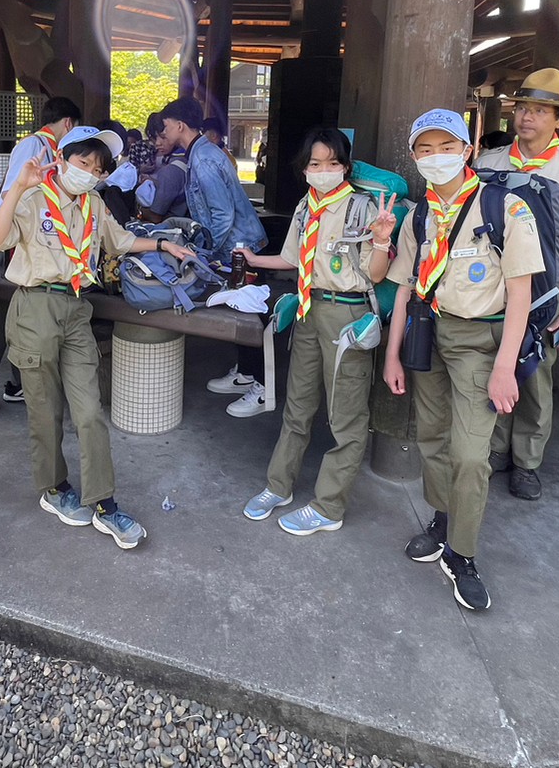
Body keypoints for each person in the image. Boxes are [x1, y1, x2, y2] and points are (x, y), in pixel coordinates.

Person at [0, 126, 193, 550]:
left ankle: (105, 503)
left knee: (90, 412)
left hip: (77, 309)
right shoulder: (32, 197)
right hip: (35, 307)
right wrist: (17, 187)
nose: (91, 173)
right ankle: (55, 488)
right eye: (84, 163)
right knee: (45, 410)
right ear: (61, 159)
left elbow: (120, 241)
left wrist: (162, 247)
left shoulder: (94, 203)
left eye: (99, 169)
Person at [384, 108, 543, 613]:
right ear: (414, 156)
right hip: (429, 335)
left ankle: (462, 553)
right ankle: (441, 519)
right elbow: (404, 288)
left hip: (481, 343)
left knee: (472, 454)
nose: (436, 157)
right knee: (431, 437)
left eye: (446, 147)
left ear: (467, 150)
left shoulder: (504, 207)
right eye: (425, 150)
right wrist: (392, 355)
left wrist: (505, 367)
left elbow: (520, 295)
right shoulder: (419, 215)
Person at [239, 128, 396, 533]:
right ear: (304, 168)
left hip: (347, 314)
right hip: (309, 310)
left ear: (345, 166)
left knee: (346, 417)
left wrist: (381, 241)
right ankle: (279, 486)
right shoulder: (305, 207)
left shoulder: (362, 207)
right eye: (315, 163)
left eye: (332, 163)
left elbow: (377, 274)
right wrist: (254, 258)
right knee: (297, 406)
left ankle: (328, 507)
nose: (324, 170)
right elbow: (293, 259)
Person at [476, 68, 559, 501]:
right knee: (492, 365)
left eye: (540, 111)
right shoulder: (488, 164)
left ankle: (527, 462)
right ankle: (495, 449)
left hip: (545, 291)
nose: (527, 117)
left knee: (534, 375)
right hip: (492, 286)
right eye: (522, 108)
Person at [159, 96, 268, 414]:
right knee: (241, 309)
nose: (164, 132)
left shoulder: (203, 159)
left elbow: (221, 214)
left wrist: (206, 251)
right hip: (236, 246)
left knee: (250, 315)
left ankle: (263, 387)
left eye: (166, 126)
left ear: (180, 125)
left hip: (238, 249)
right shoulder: (201, 152)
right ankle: (246, 373)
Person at [0, 96, 83, 405]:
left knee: (14, 317)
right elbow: (12, 195)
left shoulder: (48, 148)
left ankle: (13, 383)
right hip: (16, 242)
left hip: (30, 242)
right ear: (68, 123)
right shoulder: (34, 146)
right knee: (3, 314)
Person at [135, 112, 189, 223]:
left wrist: (138, 209)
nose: (157, 143)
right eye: (155, 138)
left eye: (163, 137)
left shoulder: (172, 170)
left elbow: (156, 217)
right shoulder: (187, 159)